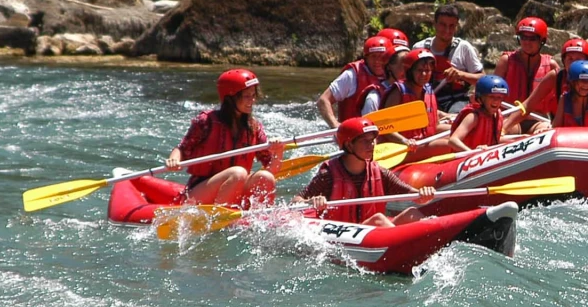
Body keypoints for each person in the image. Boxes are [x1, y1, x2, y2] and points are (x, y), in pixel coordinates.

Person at [166, 69, 284, 206]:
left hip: (236, 188)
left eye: (253, 95)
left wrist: (279, 150)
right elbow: (182, 148)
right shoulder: (206, 121)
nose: (252, 100)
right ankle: (222, 216)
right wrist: (174, 159)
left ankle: (260, 217)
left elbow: (272, 169)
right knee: (238, 173)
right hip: (199, 191)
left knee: (266, 177)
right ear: (230, 98)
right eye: (246, 96)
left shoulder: (254, 127)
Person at [293, 118, 436, 227]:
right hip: (343, 234)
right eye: (365, 141)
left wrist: (423, 194)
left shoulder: (379, 173)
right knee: (379, 220)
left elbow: (413, 195)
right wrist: (311, 201)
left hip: (373, 230)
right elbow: (295, 202)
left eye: (373, 140)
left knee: (412, 213)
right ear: (349, 145)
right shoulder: (328, 175)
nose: (372, 145)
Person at [506, 37, 588, 134]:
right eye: (570, 59)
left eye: (578, 59)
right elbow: (528, 105)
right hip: (561, 131)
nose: (573, 63)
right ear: (564, 61)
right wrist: (504, 128)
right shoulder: (555, 76)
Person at [413, 4, 484, 113]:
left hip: (456, 100)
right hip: (424, 99)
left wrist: (461, 74)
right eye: (443, 25)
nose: (447, 30)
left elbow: (483, 80)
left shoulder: (464, 48)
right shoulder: (419, 48)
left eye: (452, 26)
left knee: (456, 114)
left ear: (456, 27)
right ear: (434, 24)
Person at [495, 17, 560, 133]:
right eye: (523, 37)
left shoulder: (551, 66)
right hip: (508, 116)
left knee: (544, 131)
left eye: (532, 38)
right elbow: (492, 92)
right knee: (511, 131)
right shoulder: (506, 61)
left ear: (542, 41)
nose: (527, 42)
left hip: (538, 120)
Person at [381, 48, 452, 149]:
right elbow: (385, 128)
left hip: (424, 143)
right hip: (403, 148)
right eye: (419, 70)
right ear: (410, 72)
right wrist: (404, 141)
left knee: (461, 136)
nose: (424, 74)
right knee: (446, 145)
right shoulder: (398, 92)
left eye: (427, 71)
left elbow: (435, 127)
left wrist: (457, 129)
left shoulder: (428, 91)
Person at [317, 36, 391, 127]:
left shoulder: (396, 74)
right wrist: (335, 125)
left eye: (382, 57)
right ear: (366, 58)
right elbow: (323, 100)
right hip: (353, 136)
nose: (377, 61)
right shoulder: (352, 75)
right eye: (373, 56)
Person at [447, 75, 508, 151]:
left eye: (499, 97)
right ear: (480, 98)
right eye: (491, 96)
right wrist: (473, 153)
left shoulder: (496, 116)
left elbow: (495, 140)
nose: (496, 101)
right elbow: (453, 140)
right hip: (468, 157)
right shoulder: (473, 117)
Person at [359, 44, 410, 116]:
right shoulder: (374, 98)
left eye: (410, 66)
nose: (407, 70)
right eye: (402, 66)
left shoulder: (418, 91)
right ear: (389, 67)